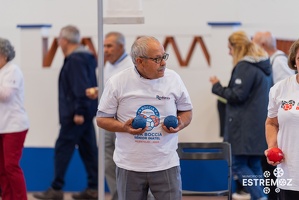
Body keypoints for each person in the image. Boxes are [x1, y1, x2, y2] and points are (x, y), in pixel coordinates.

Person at [96, 36, 193, 200]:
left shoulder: (173, 79)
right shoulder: (117, 82)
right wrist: (124, 128)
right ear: (140, 61)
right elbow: (101, 119)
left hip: (165, 164)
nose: (163, 63)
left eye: (164, 56)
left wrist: (180, 123)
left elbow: (187, 112)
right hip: (129, 166)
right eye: (157, 59)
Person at [33, 25, 98, 200]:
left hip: (75, 115)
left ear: (65, 40)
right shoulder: (84, 57)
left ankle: (56, 189)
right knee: (88, 150)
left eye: (59, 39)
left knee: (63, 149)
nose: (59, 42)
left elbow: (80, 88)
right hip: (85, 112)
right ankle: (94, 187)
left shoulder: (75, 60)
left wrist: (79, 111)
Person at [209, 30, 272, 200]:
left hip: (244, 128)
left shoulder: (245, 67)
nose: (229, 52)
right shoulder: (263, 66)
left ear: (237, 47)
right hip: (257, 126)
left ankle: (260, 197)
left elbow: (237, 95)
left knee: (237, 164)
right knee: (254, 165)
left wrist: (217, 86)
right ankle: (259, 196)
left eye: (230, 48)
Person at [87, 31, 136, 200]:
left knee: (127, 163)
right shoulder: (106, 65)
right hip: (108, 121)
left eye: (109, 46)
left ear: (121, 47)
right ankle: (118, 196)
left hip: (125, 122)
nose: (105, 50)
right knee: (107, 162)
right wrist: (97, 91)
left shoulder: (131, 66)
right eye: (104, 46)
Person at [252, 31, 294, 200]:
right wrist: (272, 144)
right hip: (278, 135)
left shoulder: (278, 62)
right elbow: (272, 119)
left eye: (253, 43)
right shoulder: (269, 64)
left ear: (262, 45)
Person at [265, 39, 299, 200]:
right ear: (294, 61)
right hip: (289, 172)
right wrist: (272, 147)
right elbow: (271, 122)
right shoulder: (279, 89)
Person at [0, 38, 29, 200]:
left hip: (14, 126)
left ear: (3, 55)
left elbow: (6, 95)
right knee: (1, 169)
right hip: (2, 126)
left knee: (11, 166)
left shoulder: (13, 70)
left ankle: (19, 197)